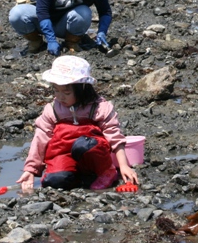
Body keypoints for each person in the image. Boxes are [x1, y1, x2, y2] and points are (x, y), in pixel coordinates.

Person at [17, 56, 138, 191]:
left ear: (82, 89)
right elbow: (40, 138)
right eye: (56, 90)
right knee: (54, 181)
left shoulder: (99, 108)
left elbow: (114, 136)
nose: (60, 96)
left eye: (66, 92)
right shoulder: (52, 110)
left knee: (83, 145)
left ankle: (106, 172)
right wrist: (31, 170)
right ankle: (75, 177)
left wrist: (124, 165)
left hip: (93, 155)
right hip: (64, 154)